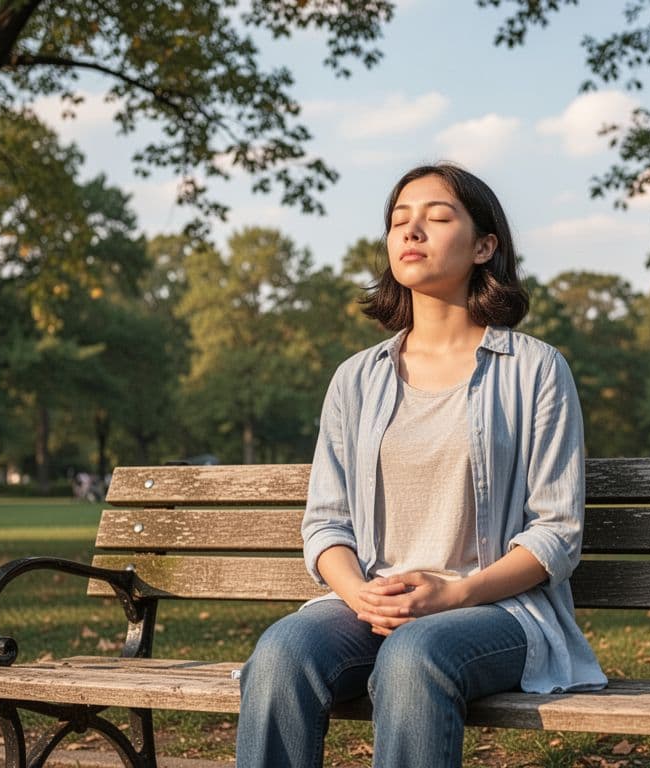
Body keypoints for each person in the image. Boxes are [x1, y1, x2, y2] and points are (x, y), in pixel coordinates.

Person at [235, 163, 606, 768]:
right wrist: (361, 596)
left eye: (436, 218)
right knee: (281, 651)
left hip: (493, 612)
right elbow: (326, 523)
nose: (412, 231)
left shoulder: (535, 369)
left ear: (485, 246)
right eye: (399, 221)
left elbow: (556, 535)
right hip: (370, 605)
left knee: (414, 654)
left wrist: (453, 593)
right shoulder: (357, 378)